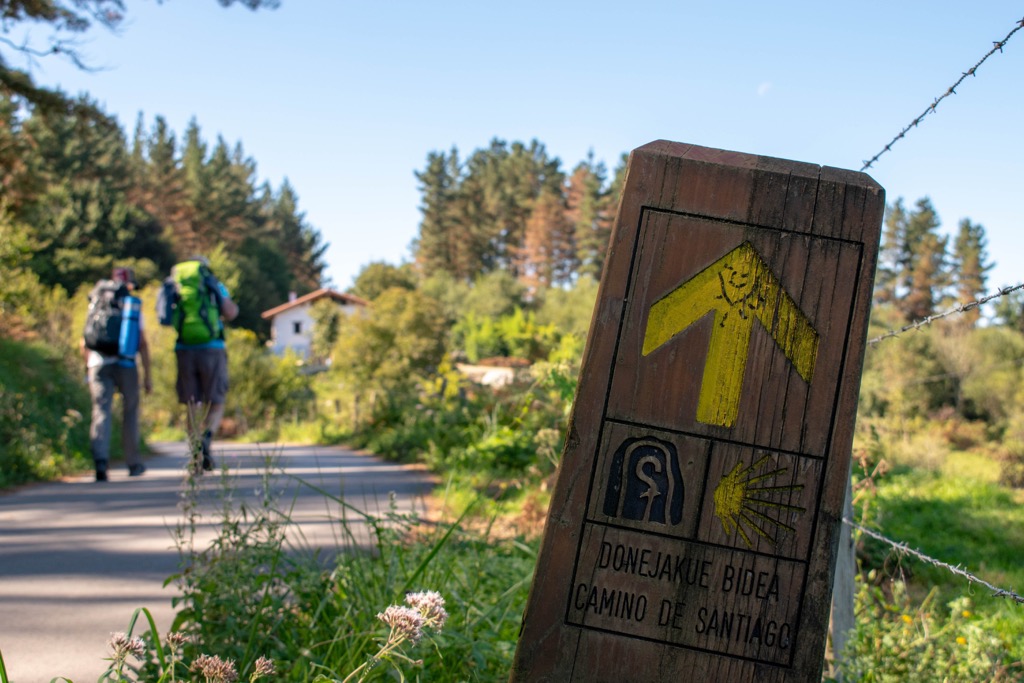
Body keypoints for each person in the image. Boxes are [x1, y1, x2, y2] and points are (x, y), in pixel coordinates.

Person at [81, 267, 152, 481]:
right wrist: (148, 375)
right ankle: (133, 463)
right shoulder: (130, 304)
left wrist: (88, 368)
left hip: (98, 363)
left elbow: (84, 341)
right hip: (127, 365)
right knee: (130, 412)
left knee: (101, 411)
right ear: (129, 283)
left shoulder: (96, 302)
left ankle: (100, 463)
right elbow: (142, 343)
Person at [169, 256, 238, 472]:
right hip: (213, 348)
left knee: (192, 403)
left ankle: (195, 450)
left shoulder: (176, 284)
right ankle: (206, 438)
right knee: (215, 401)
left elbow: (165, 314)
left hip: (183, 349)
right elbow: (231, 312)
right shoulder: (212, 283)